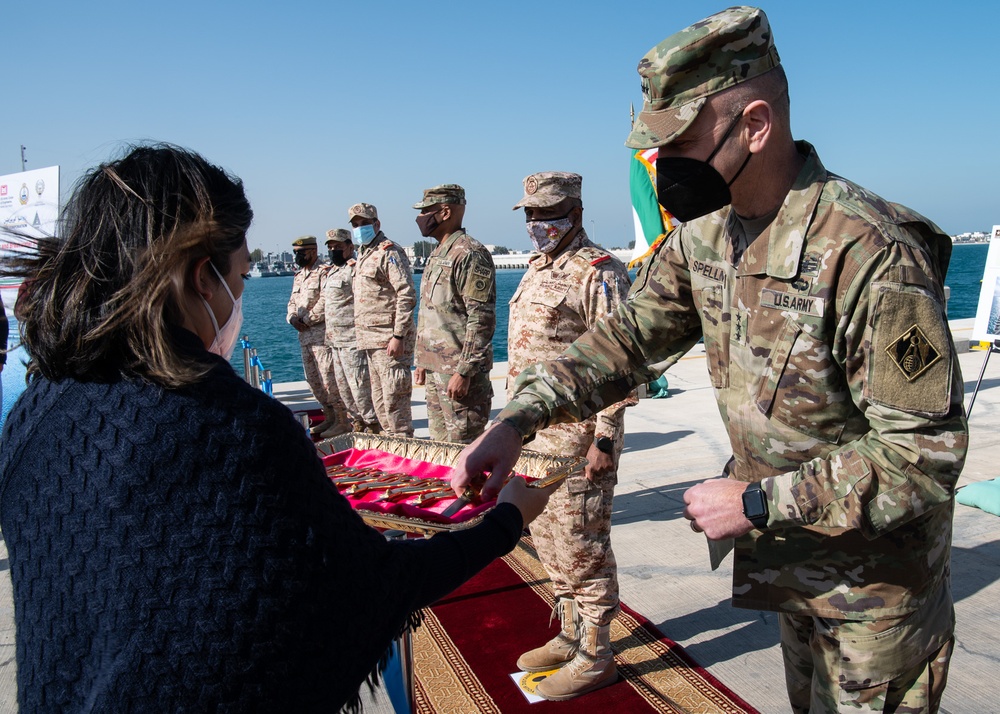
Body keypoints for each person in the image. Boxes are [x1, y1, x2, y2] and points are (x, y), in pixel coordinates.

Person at [454, 7, 967, 713]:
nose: (665, 167)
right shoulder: (708, 237)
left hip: (876, 598)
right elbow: (626, 340)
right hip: (793, 567)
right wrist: (517, 421)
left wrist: (759, 501)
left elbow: (925, 453)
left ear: (755, 125)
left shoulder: (872, 252)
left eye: (682, 142)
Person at [0, 144, 553, 714]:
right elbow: (369, 587)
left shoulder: (35, 413)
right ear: (201, 280)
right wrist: (506, 520)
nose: (241, 291)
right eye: (240, 274)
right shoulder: (234, 429)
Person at [505, 171, 634, 701]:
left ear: (576, 213)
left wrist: (605, 438)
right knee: (552, 546)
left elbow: (622, 362)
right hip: (537, 441)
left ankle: (597, 653)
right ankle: (569, 633)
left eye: (547, 213)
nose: (537, 224)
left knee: (584, 547)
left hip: (579, 441)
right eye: (531, 214)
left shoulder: (598, 272)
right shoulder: (538, 268)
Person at [411, 184, 496, 443]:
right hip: (438, 368)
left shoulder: (470, 253)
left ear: (445, 212)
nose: (421, 218)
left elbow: (480, 319)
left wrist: (464, 371)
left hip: (459, 375)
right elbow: (431, 311)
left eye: (427, 211)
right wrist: (423, 359)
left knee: (463, 453)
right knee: (440, 448)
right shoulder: (439, 252)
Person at [349, 202, 417, 437]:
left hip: (389, 341)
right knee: (381, 406)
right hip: (370, 342)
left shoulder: (389, 252)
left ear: (376, 224)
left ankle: (406, 458)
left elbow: (406, 293)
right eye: (355, 225)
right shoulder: (364, 254)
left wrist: (398, 335)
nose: (359, 229)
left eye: (364, 224)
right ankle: (393, 455)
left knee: (395, 406)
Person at [286, 234, 345, 436]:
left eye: (301, 252)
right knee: (313, 381)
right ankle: (328, 418)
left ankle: (342, 420)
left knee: (329, 379)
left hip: (321, 336)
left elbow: (326, 300)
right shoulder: (299, 275)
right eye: (295, 253)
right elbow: (293, 302)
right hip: (305, 339)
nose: (298, 256)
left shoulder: (324, 272)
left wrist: (308, 319)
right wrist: (292, 317)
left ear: (313, 251)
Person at [323, 227, 380, 434]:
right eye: (330, 247)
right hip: (334, 341)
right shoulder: (332, 272)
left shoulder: (354, 270)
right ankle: (357, 425)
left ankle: (373, 427)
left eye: (338, 246)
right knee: (344, 391)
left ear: (349, 247)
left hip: (352, 340)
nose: (333, 250)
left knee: (360, 390)